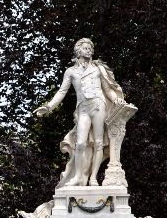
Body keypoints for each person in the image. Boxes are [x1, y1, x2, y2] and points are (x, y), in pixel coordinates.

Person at [34, 37, 125, 185]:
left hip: (98, 105)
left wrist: (116, 99)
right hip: (83, 109)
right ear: (78, 51)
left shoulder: (98, 69)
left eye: (90, 48)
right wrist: (49, 106)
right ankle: (78, 177)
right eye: (85, 48)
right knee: (80, 143)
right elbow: (61, 92)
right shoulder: (71, 72)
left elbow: (108, 89)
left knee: (98, 142)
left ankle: (93, 178)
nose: (89, 50)